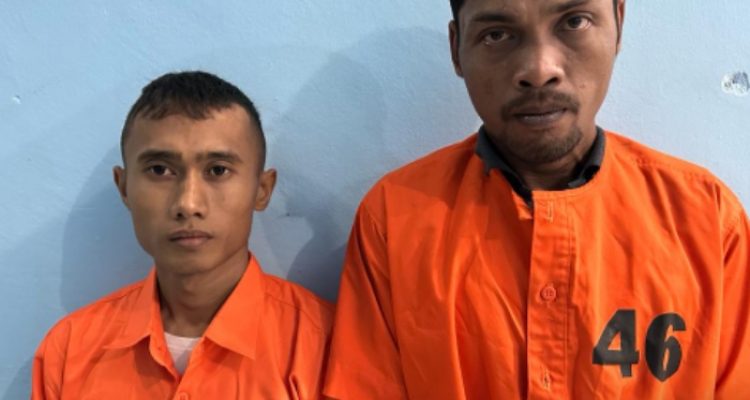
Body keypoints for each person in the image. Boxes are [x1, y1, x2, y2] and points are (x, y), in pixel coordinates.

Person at [324, 0, 749, 399]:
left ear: (619, 23)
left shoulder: (708, 219)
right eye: (496, 34)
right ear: (457, 49)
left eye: (574, 21)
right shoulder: (395, 218)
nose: (539, 69)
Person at [32, 71, 332, 399]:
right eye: (160, 170)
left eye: (218, 170)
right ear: (124, 188)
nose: (188, 204)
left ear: (262, 190)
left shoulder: (326, 348)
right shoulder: (69, 351)